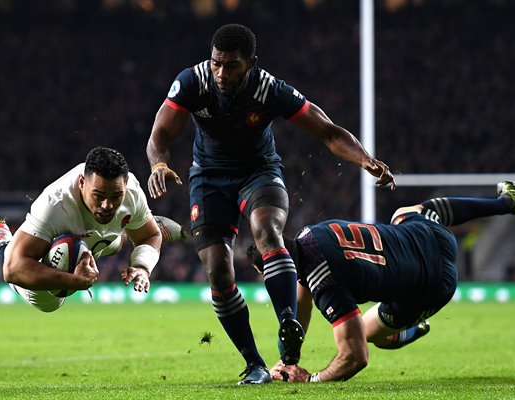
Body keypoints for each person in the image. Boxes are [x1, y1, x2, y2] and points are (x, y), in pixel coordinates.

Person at [146, 23, 396, 384]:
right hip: (208, 179)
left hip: (259, 172)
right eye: (216, 63)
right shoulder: (192, 82)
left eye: (231, 65)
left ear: (252, 63)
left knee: (267, 230)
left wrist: (366, 160)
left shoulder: (270, 89)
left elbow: (328, 131)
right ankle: (254, 364)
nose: (221, 73)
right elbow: (160, 134)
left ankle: (288, 327)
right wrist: (159, 164)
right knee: (217, 270)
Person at [250, 181, 515, 382]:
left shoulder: (325, 282)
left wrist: (310, 379)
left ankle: (409, 327)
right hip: (432, 236)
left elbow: (355, 357)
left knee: (363, 333)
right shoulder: (309, 235)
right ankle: (504, 203)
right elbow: (300, 306)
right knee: (408, 212)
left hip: (434, 284)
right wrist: (288, 360)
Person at [0, 146, 185, 312]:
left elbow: (150, 235)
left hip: (99, 239)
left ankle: (135, 224)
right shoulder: (55, 205)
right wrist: (72, 281)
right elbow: (12, 270)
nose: (107, 205)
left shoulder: (132, 192)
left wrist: (143, 267)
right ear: (82, 183)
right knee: (49, 302)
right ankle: (4, 243)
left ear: (125, 185)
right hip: (53, 252)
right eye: (98, 195)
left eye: (116, 196)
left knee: (117, 240)